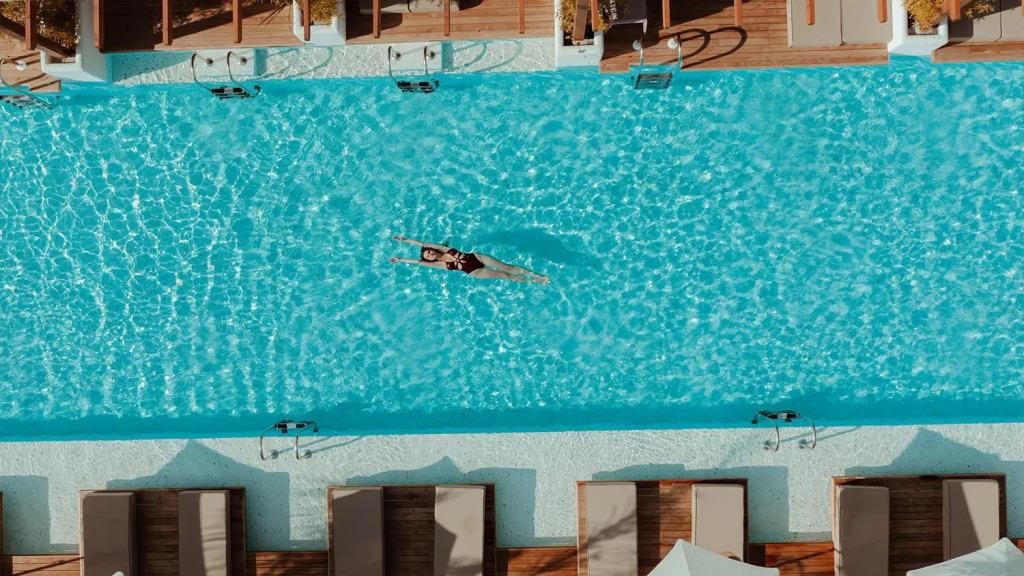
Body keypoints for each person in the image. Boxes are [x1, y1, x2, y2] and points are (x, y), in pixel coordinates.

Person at [388, 235, 549, 284]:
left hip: (477, 257)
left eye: (429, 252)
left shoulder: (443, 248)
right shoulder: (440, 265)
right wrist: (401, 260)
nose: (429, 255)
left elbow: (423, 244)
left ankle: (537, 275)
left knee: (507, 267)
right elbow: (419, 262)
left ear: (432, 250)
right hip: (474, 271)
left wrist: (405, 240)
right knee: (504, 275)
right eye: (428, 257)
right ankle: (535, 281)